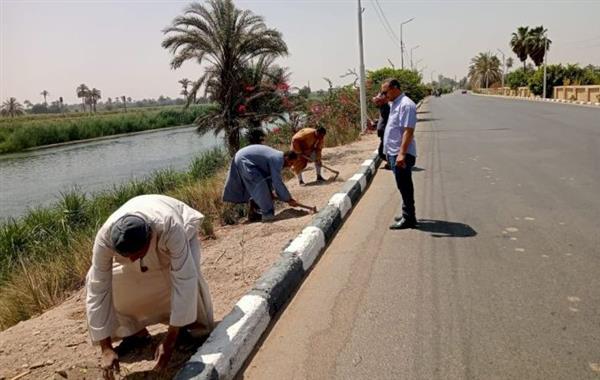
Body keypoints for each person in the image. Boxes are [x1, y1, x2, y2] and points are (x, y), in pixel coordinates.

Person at [85, 194, 214, 379]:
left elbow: (184, 280)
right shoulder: (104, 238)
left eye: (136, 254)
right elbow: (98, 288)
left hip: (182, 235)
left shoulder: (169, 226)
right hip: (146, 234)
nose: (130, 260)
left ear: (149, 238)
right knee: (104, 279)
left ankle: (186, 328)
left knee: (185, 277)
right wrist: (105, 348)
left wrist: (169, 342)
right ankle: (132, 331)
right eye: (125, 255)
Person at [222, 144, 300, 222]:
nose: (290, 166)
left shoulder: (278, 157)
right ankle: (267, 215)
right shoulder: (278, 160)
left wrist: (270, 192)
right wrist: (288, 199)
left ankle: (254, 214)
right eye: (291, 163)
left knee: (263, 188)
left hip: (244, 158)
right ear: (286, 158)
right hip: (244, 160)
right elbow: (277, 182)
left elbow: (270, 179)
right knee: (260, 186)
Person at [381, 78, 418, 229]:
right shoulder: (394, 103)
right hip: (393, 152)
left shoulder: (406, 105)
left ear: (395, 88)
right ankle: (408, 214)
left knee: (404, 186)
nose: (384, 95)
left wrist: (402, 154)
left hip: (400, 153)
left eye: (385, 92)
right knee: (402, 185)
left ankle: (409, 218)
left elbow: (408, 131)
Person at [372, 93, 391, 169]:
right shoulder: (383, 108)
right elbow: (382, 120)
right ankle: (390, 163)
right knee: (383, 151)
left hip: (386, 133)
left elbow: (387, 120)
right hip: (383, 133)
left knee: (382, 152)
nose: (376, 102)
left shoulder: (386, 108)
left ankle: (392, 163)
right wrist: (376, 123)